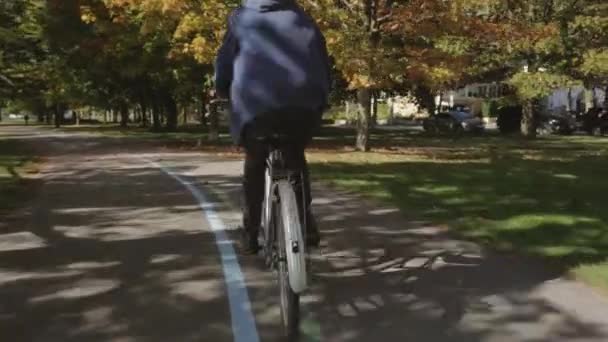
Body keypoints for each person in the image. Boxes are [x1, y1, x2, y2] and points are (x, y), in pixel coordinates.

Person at [215, 0, 331, 253]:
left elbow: (225, 62)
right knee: (295, 157)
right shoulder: (303, 18)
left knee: (255, 163)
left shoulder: (241, 18)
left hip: (256, 108)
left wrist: (222, 88)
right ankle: (306, 223)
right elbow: (322, 62)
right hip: (302, 106)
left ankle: (250, 234)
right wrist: (321, 96)